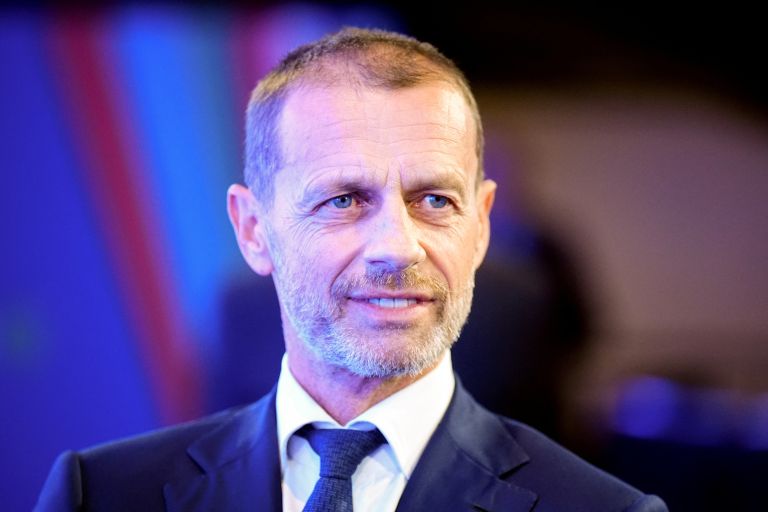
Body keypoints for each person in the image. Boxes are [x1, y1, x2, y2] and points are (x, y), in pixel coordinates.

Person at [36, 27, 667, 511]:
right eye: (343, 200)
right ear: (253, 229)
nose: (398, 247)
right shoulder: (100, 494)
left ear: (480, 226)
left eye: (434, 200)